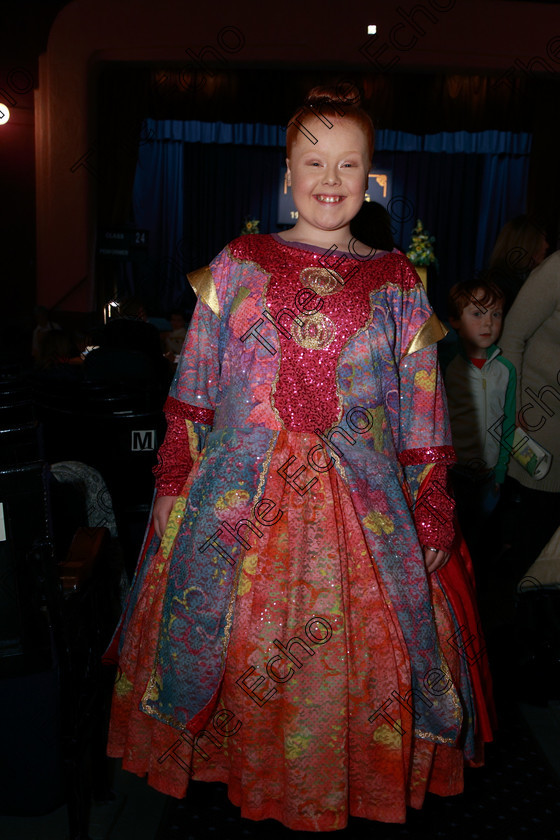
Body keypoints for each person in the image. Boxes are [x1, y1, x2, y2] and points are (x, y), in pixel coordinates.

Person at [105, 87, 493, 831]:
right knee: (232, 656)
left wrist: (433, 500)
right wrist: (173, 481)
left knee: (354, 675)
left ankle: (330, 793)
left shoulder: (400, 285)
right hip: (237, 510)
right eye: (314, 160)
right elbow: (194, 388)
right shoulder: (238, 263)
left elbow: (423, 411)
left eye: (349, 164)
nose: (330, 177)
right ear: (287, 169)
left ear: (370, 175)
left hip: (365, 519)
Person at [443, 278, 515, 566]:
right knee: (454, 549)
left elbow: (507, 422)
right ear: (455, 320)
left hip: (489, 479)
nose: (488, 324)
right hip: (455, 475)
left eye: (495, 314)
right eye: (477, 314)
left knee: (481, 549)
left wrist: (500, 472)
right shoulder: (446, 366)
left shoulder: (506, 369)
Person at [500, 249, 560, 572]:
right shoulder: (555, 270)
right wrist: (516, 403)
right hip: (541, 423)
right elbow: (512, 335)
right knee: (536, 535)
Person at [488, 215, 549, 311]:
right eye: (542, 239)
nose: (546, 246)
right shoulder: (503, 284)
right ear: (528, 243)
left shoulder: (521, 278)